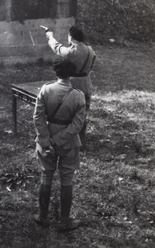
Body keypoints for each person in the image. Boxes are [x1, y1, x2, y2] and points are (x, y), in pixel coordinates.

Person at [33, 58, 86, 231]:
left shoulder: (46, 89)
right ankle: (64, 220)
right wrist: (58, 140)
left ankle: (42, 217)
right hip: (69, 142)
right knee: (67, 178)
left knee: (46, 176)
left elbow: (38, 117)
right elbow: (77, 126)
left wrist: (47, 140)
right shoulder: (78, 95)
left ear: (55, 72)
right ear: (71, 74)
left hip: (46, 139)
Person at [45, 25, 95, 147]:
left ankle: (71, 140)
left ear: (71, 38)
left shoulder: (71, 52)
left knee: (72, 114)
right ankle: (82, 139)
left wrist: (50, 36)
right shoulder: (90, 50)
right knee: (83, 113)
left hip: (75, 86)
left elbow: (57, 47)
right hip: (87, 84)